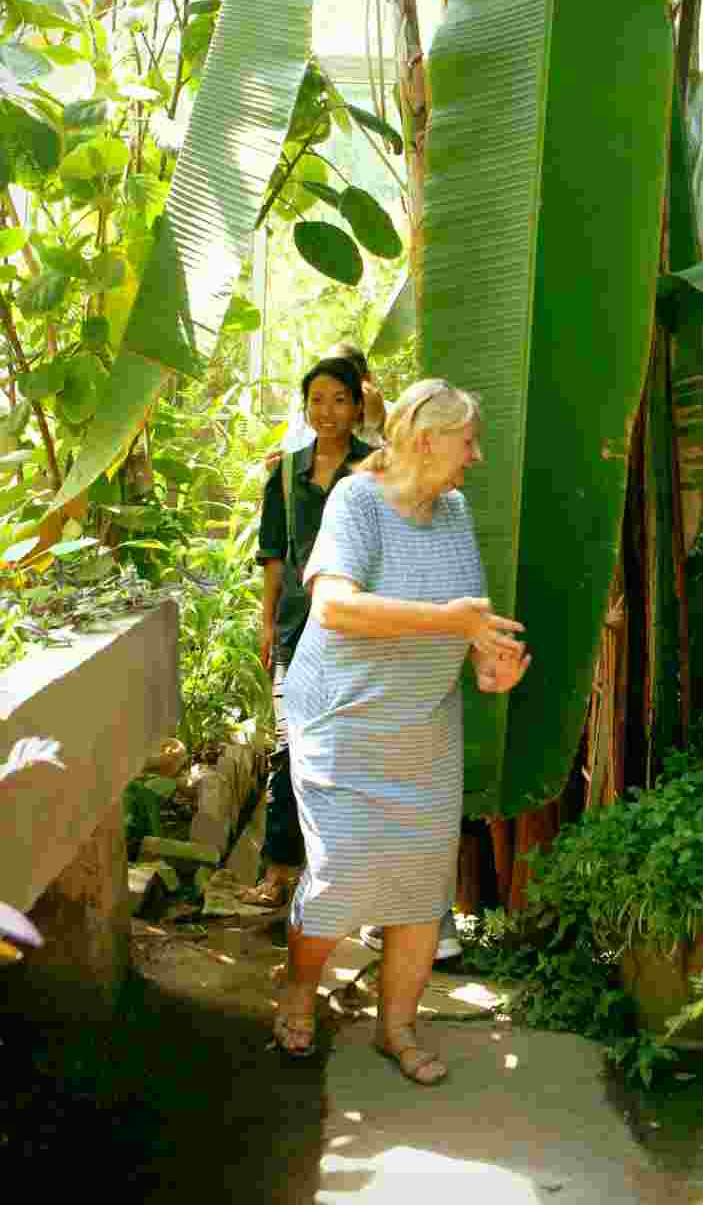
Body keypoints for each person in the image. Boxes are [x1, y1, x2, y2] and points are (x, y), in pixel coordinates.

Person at [272, 378, 531, 1084]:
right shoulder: (356, 502)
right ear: (425, 441)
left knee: (421, 886)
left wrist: (490, 665)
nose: (475, 457)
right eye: (467, 441)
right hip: (345, 722)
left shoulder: (452, 511)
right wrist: (453, 621)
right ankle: (299, 990)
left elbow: (469, 620)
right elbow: (335, 610)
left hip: (423, 728)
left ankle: (397, 1029)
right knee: (341, 874)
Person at [240, 356, 375, 909]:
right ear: (306, 407)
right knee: (288, 750)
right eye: (317, 400)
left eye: (340, 400)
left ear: (359, 407)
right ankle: (278, 870)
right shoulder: (286, 474)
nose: (327, 411)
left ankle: (342, 878)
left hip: (358, 632)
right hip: (297, 632)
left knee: (349, 751)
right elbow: (274, 556)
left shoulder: (376, 469)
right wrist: (267, 621)